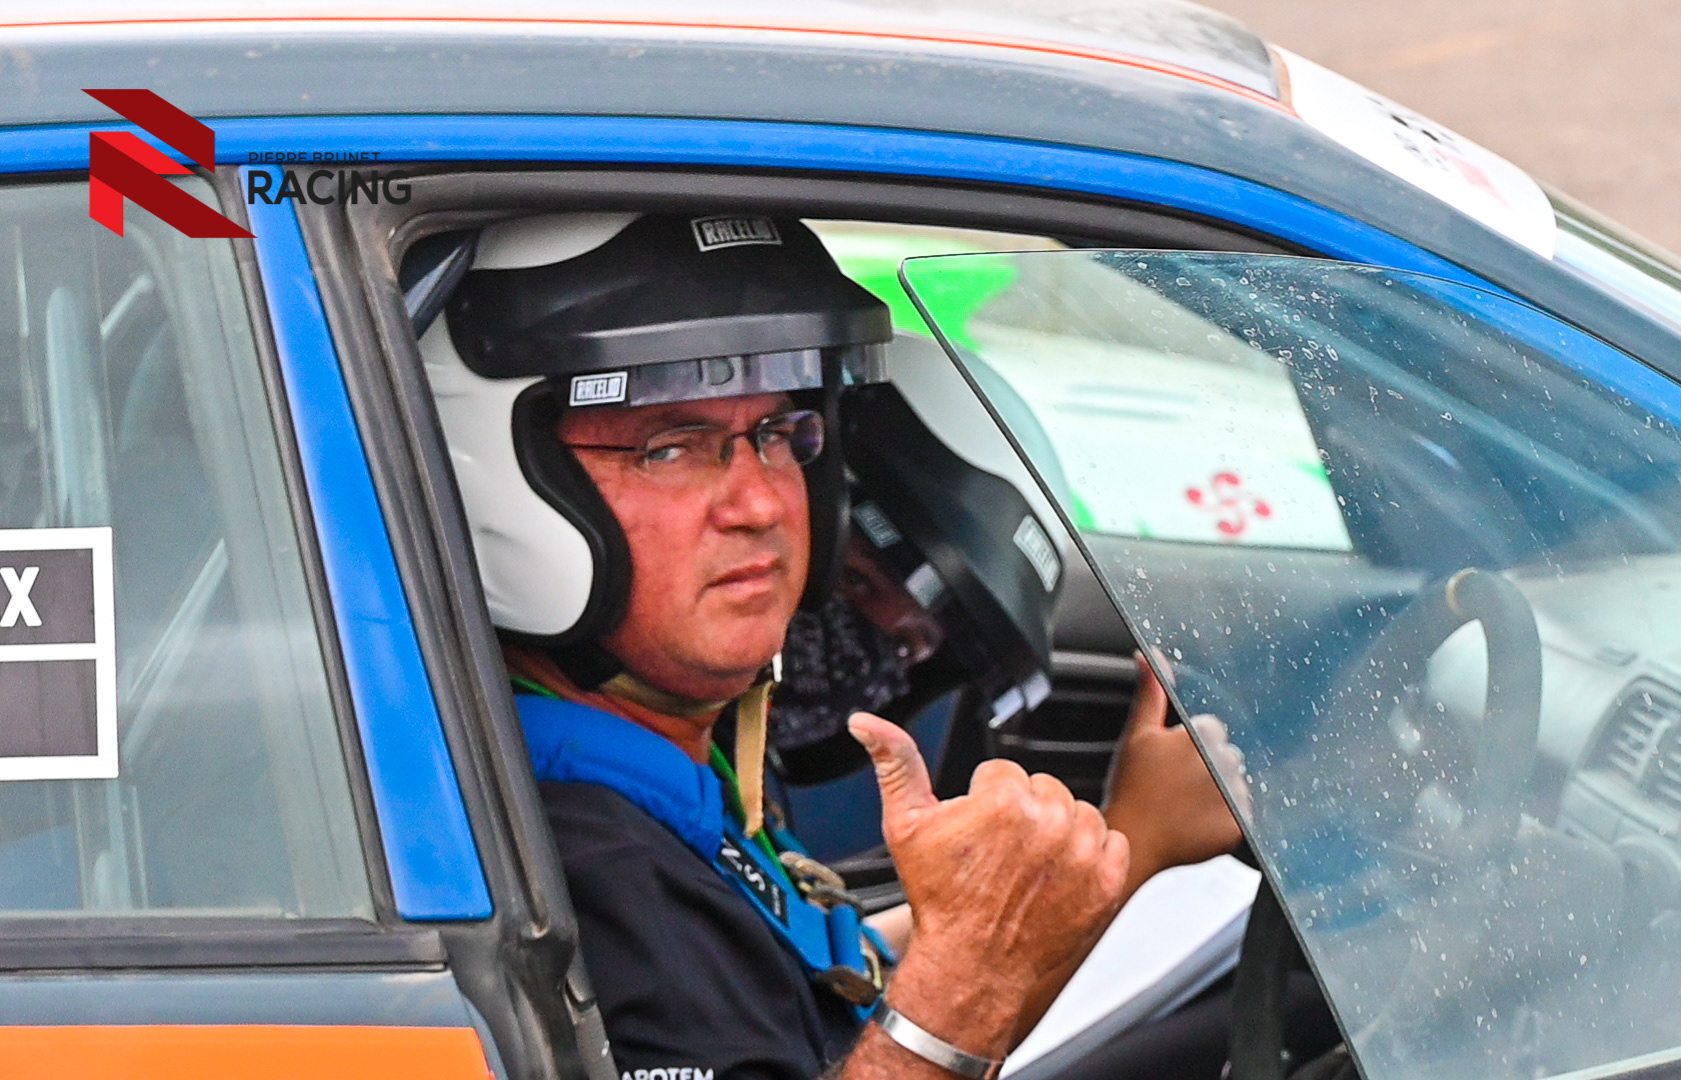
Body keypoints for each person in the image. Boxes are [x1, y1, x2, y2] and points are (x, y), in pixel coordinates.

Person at [423, 211, 1244, 1080]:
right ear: (517, 480)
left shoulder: (666, 776)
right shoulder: (583, 864)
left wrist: (1126, 844)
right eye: (669, 448)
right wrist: (965, 978)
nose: (762, 505)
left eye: (778, 436)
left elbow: (836, 978)